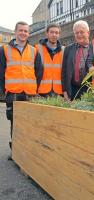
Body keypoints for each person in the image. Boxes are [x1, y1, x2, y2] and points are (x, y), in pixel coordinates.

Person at [0, 21, 43, 151]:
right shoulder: (4, 50)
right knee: (15, 122)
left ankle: (27, 151)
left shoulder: (34, 51)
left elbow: (39, 71)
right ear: (15, 32)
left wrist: (35, 88)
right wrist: (4, 90)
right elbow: (1, 72)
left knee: (30, 122)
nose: (23, 33)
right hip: (13, 93)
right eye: (21, 30)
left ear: (28, 33)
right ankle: (16, 151)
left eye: (25, 31)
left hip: (30, 93)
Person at [62, 20, 92, 101]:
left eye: (81, 32)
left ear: (88, 33)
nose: (79, 35)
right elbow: (64, 71)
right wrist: (64, 91)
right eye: (76, 33)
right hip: (72, 89)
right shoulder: (68, 49)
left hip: (89, 89)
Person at [36, 23, 64, 97]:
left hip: (59, 92)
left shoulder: (64, 50)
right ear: (47, 33)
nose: (54, 35)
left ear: (59, 35)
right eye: (51, 32)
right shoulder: (37, 49)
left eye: (56, 33)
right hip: (41, 92)